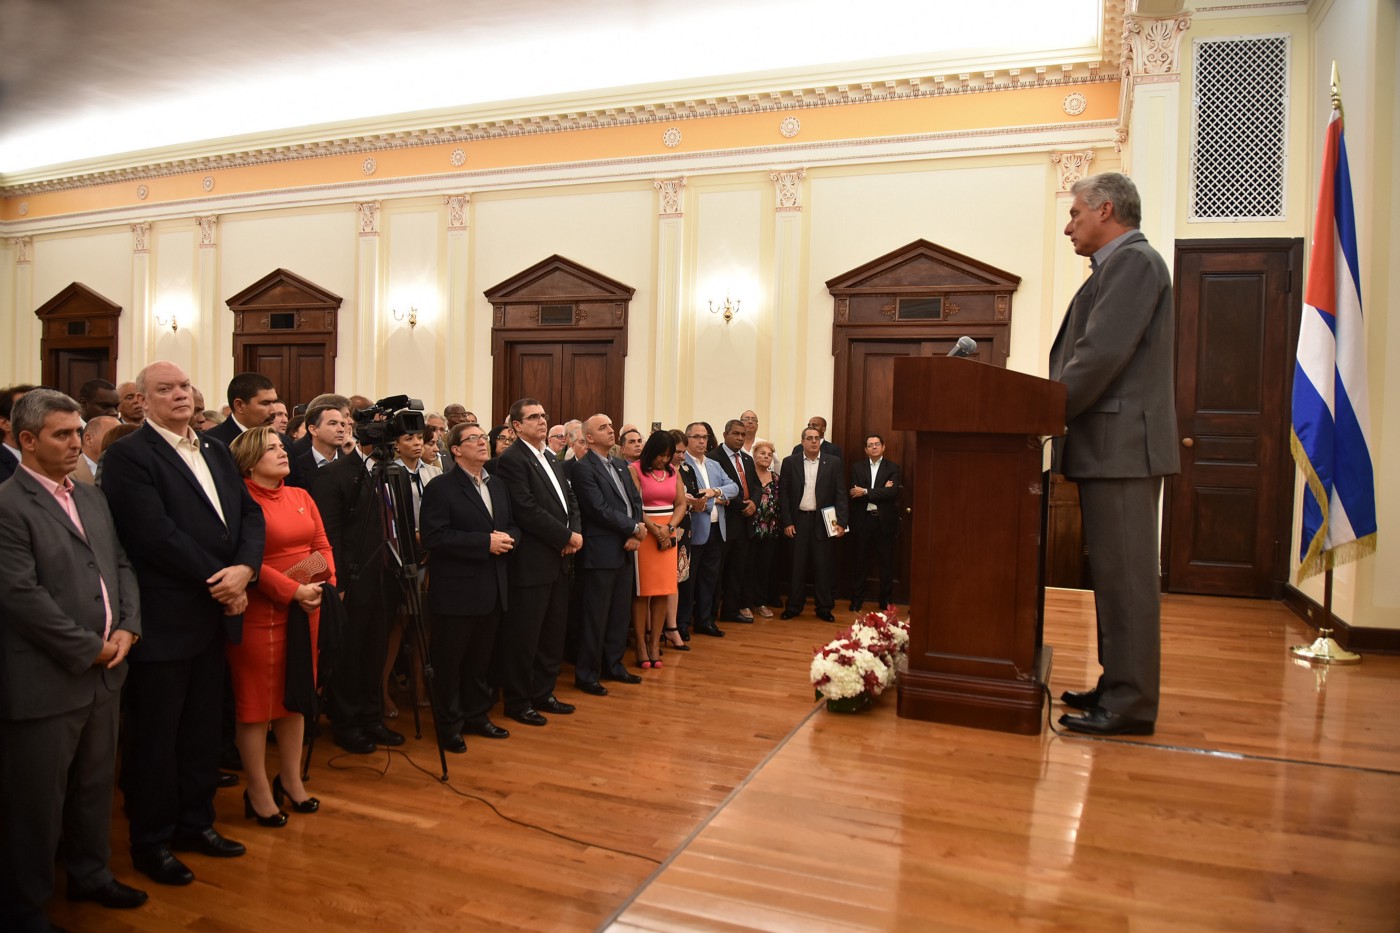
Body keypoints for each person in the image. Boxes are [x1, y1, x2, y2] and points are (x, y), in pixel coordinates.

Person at [99, 361, 265, 886]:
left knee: (200, 731)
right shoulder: (130, 455)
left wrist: (246, 569)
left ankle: (197, 824)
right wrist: (223, 579)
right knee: (156, 737)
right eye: (164, 389)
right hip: (169, 615)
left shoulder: (214, 448)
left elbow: (250, 516)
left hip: (217, 611)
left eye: (185, 386)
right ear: (143, 402)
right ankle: (151, 841)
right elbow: (153, 534)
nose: (180, 395)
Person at [0, 390, 146, 930]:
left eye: (79, 431)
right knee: (36, 803)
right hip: (48, 679)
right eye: (63, 434)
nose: (76, 443)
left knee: (92, 787)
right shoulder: (8, 505)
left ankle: (91, 874)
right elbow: (20, 597)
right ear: (27, 440)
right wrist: (90, 647)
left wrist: (129, 626)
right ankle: (24, 907)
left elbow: (121, 564)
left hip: (107, 673)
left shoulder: (90, 497)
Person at [1049, 171, 1178, 738]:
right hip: (1110, 447)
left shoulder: (1134, 263)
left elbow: (1099, 355)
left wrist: (1045, 412)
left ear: (1105, 209)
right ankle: (1116, 682)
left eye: (1076, 213)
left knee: (1127, 580)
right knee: (1111, 577)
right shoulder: (1116, 267)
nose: (1069, 225)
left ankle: (1130, 703)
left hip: (1123, 449)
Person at [227, 427, 334, 825]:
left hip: (307, 608)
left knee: (295, 698)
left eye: (282, 446)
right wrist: (292, 588)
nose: (282, 452)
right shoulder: (239, 501)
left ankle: (291, 780)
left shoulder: (301, 496)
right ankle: (256, 789)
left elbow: (323, 546)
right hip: (259, 613)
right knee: (256, 706)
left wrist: (313, 586)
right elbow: (247, 563)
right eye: (271, 448)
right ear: (250, 460)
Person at [309, 422, 406, 754]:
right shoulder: (336, 475)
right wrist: (336, 583)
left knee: (376, 652)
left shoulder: (394, 473)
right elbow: (329, 536)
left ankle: (372, 717)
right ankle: (347, 723)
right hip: (352, 580)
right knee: (349, 655)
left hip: (386, 576)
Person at [420, 422, 517, 751]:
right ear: (456, 449)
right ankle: (449, 725)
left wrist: (508, 539)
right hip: (457, 592)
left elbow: (510, 524)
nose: (482, 443)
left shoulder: (498, 485)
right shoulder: (441, 488)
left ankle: (477, 715)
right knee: (450, 663)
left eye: (482, 437)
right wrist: (483, 543)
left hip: (493, 587)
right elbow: (434, 536)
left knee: (480, 660)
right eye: (472, 439)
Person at [491, 398, 581, 726]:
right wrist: (565, 537)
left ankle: (544, 692)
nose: (541, 421)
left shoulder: (550, 457)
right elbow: (526, 509)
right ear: (516, 426)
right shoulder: (512, 460)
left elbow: (568, 499)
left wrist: (575, 532)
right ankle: (518, 701)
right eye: (533, 417)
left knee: (552, 632)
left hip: (558, 558)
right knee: (524, 636)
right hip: (531, 561)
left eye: (543, 415)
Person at [571, 414, 647, 692]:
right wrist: (633, 529)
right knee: (596, 616)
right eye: (603, 427)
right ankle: (587, 674)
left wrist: (636, 528)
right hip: (601, 550)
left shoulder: (619, 464)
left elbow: (635, 500)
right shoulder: (583, 468)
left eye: (611, 426)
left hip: (625, 547)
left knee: (618, 614)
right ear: (589, 438)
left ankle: (613, 665)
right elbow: (597, 508)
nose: (611, 430)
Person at [629, 429, 688, 666]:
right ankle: (641, 645)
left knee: (664, 590)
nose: (665, 460)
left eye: (668, 455)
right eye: (661, 455)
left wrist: (670, 529)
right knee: (643, 592)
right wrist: (655, 530)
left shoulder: (674, 472)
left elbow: (681, 503)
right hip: (646, 533)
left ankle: (656, 642)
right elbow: (635, 505)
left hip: (668, 534)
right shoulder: (635, 470)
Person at [779, 426, 848, 621]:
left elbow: (840, 493)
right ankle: (793, 607)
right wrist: (787, 521)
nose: (814, 441)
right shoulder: (790, 462)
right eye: (809, 438)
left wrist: (841, 522)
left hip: (823, 521)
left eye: (817, 438)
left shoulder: (833, 462)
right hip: (798, 520)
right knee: (796, 567)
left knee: (823, 567)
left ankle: (824, 608)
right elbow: (783, 495)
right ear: (802, 442)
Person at [681, 421, 737, 638]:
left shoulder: (713, 464)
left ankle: (705, 621)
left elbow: (733, 487)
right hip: (694, 531)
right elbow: (692, 498)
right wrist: (716, 500)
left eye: (705, 437)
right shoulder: (682, 464)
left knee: (709, 579)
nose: (702, 441)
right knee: (689, 580)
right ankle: (683, 623)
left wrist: (714, 492)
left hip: (716, 530)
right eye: (697, 437)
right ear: (687, 440)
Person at [847, 434, 902, 611]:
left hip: (883, 521)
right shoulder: (857, 467)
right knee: (859, 562)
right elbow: (854, 493)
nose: (874, 447)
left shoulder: (893, 467)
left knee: (886, 564)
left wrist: (866, 491)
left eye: (877, 444)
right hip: (863, 521)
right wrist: (879, 491)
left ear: (883, 447)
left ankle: (885, 601)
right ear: (866, 449)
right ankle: (857, 600)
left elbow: (892, 493)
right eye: (870, 445)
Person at [714, 418, 760, 623]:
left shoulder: (747, 459)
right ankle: (709, 614)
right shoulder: (713, 458)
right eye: (736, 434)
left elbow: (757, 486)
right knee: (717, 572)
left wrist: (755, 504)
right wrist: (744, 506)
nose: (740, 438)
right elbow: (719, 492)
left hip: (745, 524)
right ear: (725, 435)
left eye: (743, 435)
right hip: (724, 523)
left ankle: (730, 611)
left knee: (738, 570)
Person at [749, 440, 782, 618]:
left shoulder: (776, 479)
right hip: (749, 530)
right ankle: (745, 602)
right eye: (762, 453)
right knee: (747, 567)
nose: (766, 457)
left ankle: (760, 602)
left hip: (770, 530)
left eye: (769, 455)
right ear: (754, 455)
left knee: (764, 568)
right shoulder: (747, 476)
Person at [204, 372, 279, 448]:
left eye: (274, 402)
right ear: (239, 405)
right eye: (265, 403)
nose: (274, 410)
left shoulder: (283, 442)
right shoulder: (211, 443)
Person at [74, 413, 118, 484]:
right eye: (112, 435)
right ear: (88, 439)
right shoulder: (67, 474)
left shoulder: (125, 469)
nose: (119, 441)